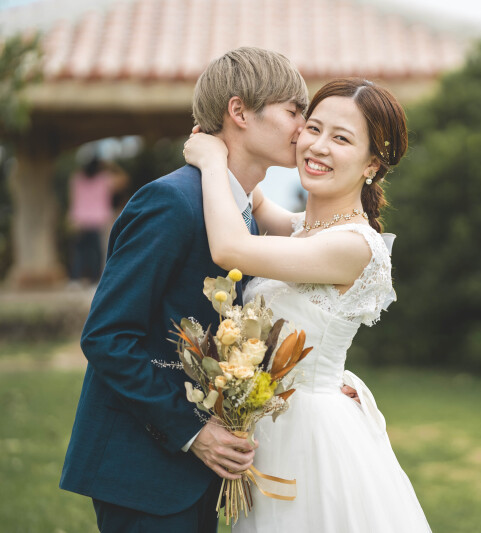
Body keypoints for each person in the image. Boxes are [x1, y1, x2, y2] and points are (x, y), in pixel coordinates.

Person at [60, 47, 343, 533]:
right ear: (239, 112)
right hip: (142, 469)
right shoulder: (170, 202)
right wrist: (192, 433)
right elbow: (107, 336)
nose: (303, 129)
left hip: (204, 474)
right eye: (294, 112)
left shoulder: (242, 214)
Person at [184, 77, 431, 532]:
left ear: (372, 163)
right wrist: (230, 140)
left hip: (312, 437)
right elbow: (256, 201)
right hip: (269, 425)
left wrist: (210, 160)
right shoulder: (303, 229)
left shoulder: (355, 246)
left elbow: (231, 249)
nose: (317, 147)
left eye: (341, 139)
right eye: (313, 129)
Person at [66, 156, 127, 285]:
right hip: (99, 220)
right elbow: (124, 179)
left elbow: (72, 198)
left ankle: (75, 279)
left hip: (80, 220)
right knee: (98, 252)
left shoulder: (77, 178)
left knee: (80, 252)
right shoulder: (104, 179)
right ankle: (96, 280)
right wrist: (111, 165)